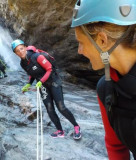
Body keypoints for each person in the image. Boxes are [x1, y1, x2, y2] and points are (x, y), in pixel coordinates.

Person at [71, 0, 136, 159]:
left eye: (81, 42)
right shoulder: (106, 90)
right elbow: (115, 147)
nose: (79, 51)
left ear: (102, 40)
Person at [11, 39, 81, 140]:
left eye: (21, 48)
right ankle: (60, 131)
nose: (20, 51)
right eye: (17, 51)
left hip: (54, 82)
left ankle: (76, 126)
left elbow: (49, 69)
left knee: (61, 107)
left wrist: (41, 81)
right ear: (15, 53)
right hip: (43, 86)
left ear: (25, 47)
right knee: (49, 108)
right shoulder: (23, 64)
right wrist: (28, 84)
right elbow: (32, 74)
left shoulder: (36, 56)